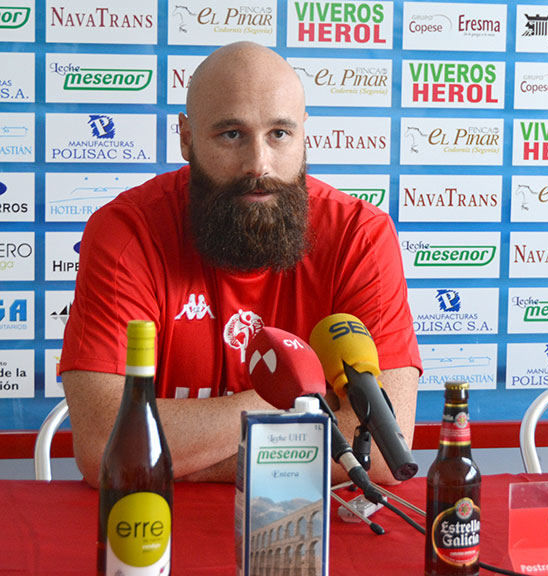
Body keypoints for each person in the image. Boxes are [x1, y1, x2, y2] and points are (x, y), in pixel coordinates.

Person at [60, 42, 421, 487]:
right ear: (187, 138)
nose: (258, 164)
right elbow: (105, 446)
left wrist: (179, 459)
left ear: (303, 132)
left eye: (279, 134)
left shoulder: (359, 235)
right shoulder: (126, 232)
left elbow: (383, 453)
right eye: (232, 134)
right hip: (164, 529)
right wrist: (299, 399)